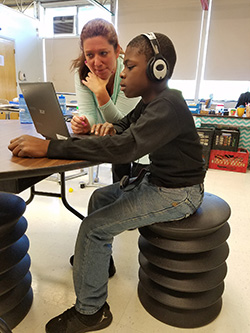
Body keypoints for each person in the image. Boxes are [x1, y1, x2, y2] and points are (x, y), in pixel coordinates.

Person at [8, 31, 206, 333]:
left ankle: (91, 312)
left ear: (157, 69)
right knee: (99, 199)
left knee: (93, 228)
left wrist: (51, 147)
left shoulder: (168, 106)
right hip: (158, 181)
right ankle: (101, 264)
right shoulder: (152, 101)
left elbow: (127, 148)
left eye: (130, 67)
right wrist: (111, 128)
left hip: (178, 193)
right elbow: (126, 128)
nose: (122, 74)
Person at [70, 18, 148, 182]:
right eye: (89, 55)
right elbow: (90, 115)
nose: (96, 63)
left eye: (103, 53)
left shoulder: (129, 71)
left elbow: (122, 123)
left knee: (138, 187)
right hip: (118, 146)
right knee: (119, 187)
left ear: (117, 50)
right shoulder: (82, 73)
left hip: (142, 144)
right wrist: (84, 123)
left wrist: (101, 93)